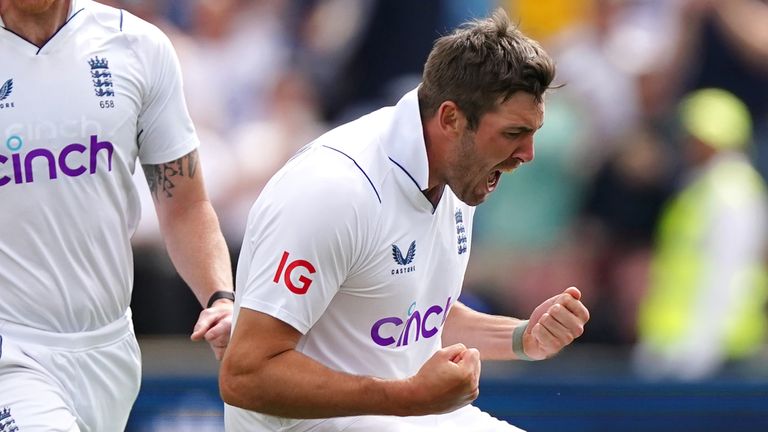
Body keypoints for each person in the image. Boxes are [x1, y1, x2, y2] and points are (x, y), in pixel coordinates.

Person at [221, 9, 590, 431]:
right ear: (451, 119)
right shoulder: (334, 190)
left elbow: (410, 314)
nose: (528, 155)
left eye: (532, 134)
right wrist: (408, 397)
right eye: (512, 134)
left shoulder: (458, 170)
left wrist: (523, 338)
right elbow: (245, 375)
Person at [0, 0, 234, 430]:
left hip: (110, 350)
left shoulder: (138, 47)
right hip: (10, 348)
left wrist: (220, 298)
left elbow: (185, 205)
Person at [634, 88, 768, 381]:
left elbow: (728, 272)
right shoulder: (704, 186)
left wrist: (701, 345)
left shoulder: (731, 192)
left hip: (717, 354)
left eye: (695, 136)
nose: (687, 143)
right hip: (686, 347)